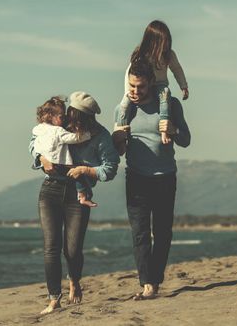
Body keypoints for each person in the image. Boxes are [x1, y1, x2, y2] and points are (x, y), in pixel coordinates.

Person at [29, 91, 120, 314]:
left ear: (88, 119)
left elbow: (110, 169)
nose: (71, 122)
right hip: (50, 189)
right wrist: (41, 159)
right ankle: (53, 298)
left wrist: (86, 169)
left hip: (78, 194)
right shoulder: (59, 124)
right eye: (70, 116)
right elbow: (34, 143)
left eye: (76, 119)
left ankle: (74, 281)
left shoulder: (100, 136)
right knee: (51, 247)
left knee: (72, 249)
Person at [113, 58, 191, 300]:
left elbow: (186, 140)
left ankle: (155, 280)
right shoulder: (123, 110)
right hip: (136, 177)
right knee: (139, 233)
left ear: (151, 84)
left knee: (163, 232)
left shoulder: (169, 104)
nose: (135, 92)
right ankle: (147, 283)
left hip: (165, 177)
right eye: (132, 86)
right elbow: (119, 152)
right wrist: (118, 138)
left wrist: (173, 129)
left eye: (141, 87)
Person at [117, 20, 189, 146]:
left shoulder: (169, 55)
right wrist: (129, 92)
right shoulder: (142, 54)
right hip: (145, 86)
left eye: (167, 41)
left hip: (160, 85)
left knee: (165, 95)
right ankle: (121, 133)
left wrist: (183, 86)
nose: (165, 45)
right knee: (124, 105)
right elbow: (130, 72)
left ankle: (164, 130)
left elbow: (177, 69)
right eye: (163, 42)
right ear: (152, 41)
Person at [32, 96, 97, 207]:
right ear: (51, 116)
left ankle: (82, 196)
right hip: (60, 163)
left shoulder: (38, 129)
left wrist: (40, 158)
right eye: (62, 116)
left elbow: (33, 144)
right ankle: (83, 197)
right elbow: (74, 139)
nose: (65, 119)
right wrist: (88, 135)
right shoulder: (58, 130)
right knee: (79, 175)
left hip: (48, 165)